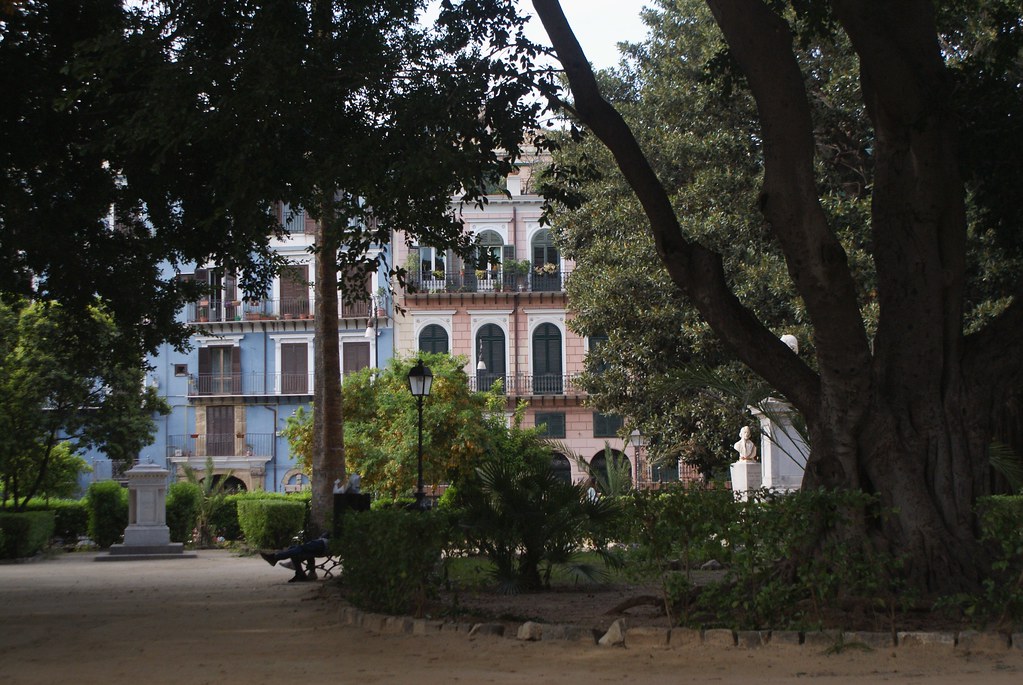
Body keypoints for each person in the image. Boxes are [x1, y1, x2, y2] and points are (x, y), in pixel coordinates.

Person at [260, 532, 329, 582]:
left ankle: (275, 557)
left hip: (323, 544)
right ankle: (300, 574)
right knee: (295, 548)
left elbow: (327, 535)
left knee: (300, 548)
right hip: (323, 543)